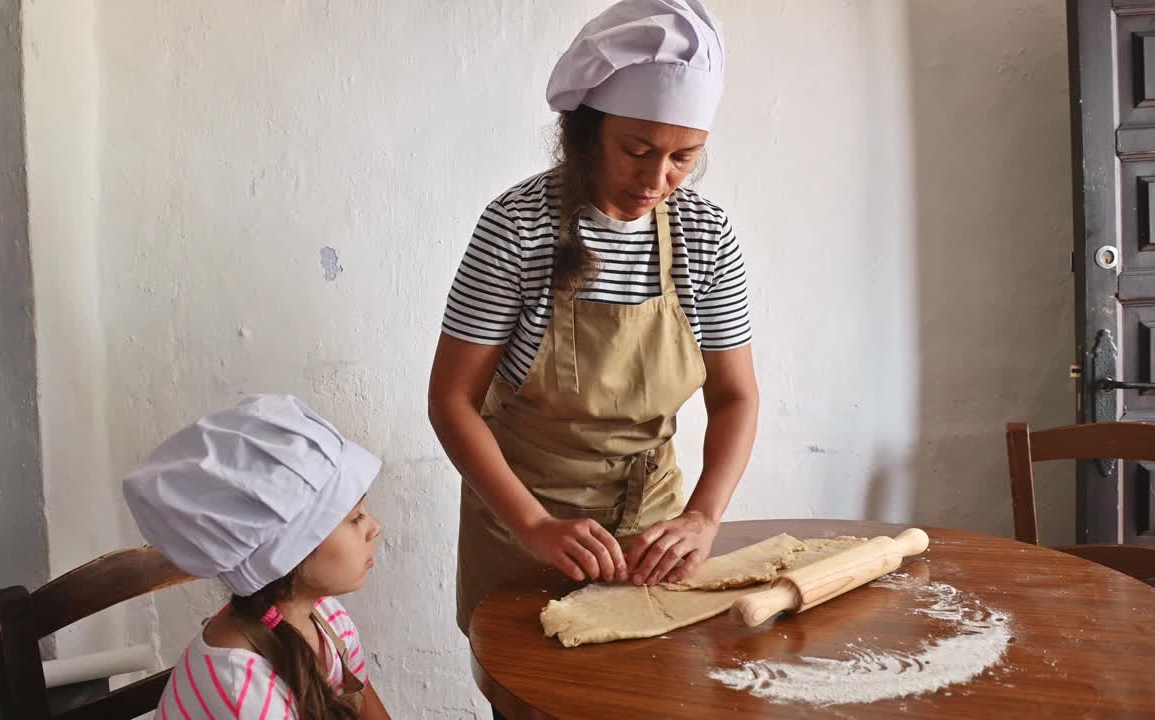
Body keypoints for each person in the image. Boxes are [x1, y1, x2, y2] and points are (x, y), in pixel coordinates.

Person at [429, 0, 759, 641]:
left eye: (683, 158)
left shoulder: (706, 235)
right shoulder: (517, 227)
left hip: (651, 534)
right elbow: (451, 400)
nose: (657, 178)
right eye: (637, 150)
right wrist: (532, 524)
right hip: (524, 525)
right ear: (586, 134)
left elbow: (735, 394)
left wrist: (703, 518)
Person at [123, 394, 392, 719]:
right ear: (289, 550)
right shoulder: (242, 688)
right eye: (355, 518)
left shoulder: (328, 620)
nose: (375, 527)